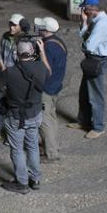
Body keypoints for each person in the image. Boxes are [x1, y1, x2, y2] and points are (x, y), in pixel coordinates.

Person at [0, 35, 50, 194]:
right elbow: (49, 71)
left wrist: (2, 64)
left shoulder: (11, 72)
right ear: (33, 51)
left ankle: (22, 183)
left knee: (17, 149)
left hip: (16, 117)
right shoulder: (41, 67)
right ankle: (35, 179)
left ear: (16, 54)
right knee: (33, 145)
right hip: (35, 114)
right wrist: (42, 52)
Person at [69, 0, 107, 138]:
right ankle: (84, 121)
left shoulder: (102, 24)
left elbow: (89, 45)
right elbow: (83, 34)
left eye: (85, 9)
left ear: (90, 9)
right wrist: (84, 22)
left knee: (96, 96)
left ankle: (98, 127)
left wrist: (84, 45)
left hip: (96, 60)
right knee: (84, 93)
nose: (84, 11)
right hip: (91, 60)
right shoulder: (95, 19)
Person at [34, 16, 68, 161]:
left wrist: (40, 53)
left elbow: (47, 71)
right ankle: (53, 145)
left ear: (45, 30)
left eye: (40, 27)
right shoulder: (58, 41)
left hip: (46, 88)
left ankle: (51, 154)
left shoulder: (48, 47)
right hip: (55, 86)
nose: (38, 29)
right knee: (52, 117)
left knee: (44, 121)